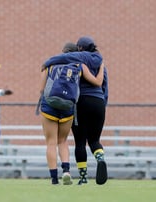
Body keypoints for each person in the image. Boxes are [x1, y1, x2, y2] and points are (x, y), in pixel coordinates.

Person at [42, 36, 109, 185]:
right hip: (98, 103)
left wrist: (47, 62)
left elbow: (44, 87)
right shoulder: (100, 64)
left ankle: (82, 178)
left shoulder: (77, 62)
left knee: (79, 142)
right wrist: (103, 104)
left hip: (79, 104)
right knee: (94, 140)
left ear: (80, 49)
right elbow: (103, 85)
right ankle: (100, 158)